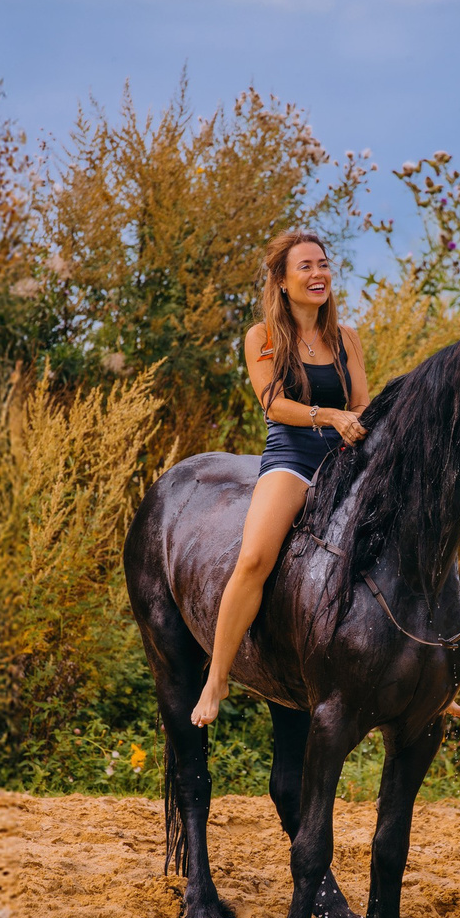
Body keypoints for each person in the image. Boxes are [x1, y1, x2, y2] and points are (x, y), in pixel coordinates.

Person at [191, 230, 369, 727]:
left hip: (343, 457)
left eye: (324, 264)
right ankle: (218, 676)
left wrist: (355, 420)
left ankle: (436, 679)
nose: (318, 274)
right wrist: (330, 416)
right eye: (306, 266)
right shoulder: (261, 337)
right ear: (282, 281)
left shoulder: (346, 337)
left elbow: (360, 402)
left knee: (410, 528)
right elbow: (274, 404)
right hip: (293, 455)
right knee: (253, 559)